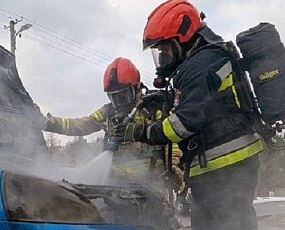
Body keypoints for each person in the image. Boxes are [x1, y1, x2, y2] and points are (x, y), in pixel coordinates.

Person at [123, 0, 272, 230]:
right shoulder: (214, 56)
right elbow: (206, 105)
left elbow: (183, 124)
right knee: (242, 228)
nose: (161, 59)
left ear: (183, 38)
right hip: (240, 159)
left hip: (220, 164)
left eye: (164, 50)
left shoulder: (197, 65)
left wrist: (142, 131)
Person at [40, 57, 183, 187]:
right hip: (116, 186)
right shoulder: (108, 112)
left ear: (136, 87)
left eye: (123, 95)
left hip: (152, 186)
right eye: (114, 97)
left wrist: (174, 168)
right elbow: (80, 125)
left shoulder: (154, 109)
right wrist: (49, 123)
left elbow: (171, 140)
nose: (119, 102)